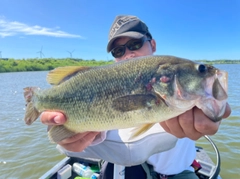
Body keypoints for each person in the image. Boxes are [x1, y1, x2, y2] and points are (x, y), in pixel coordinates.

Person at [41, 15, 231, 179]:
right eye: (118, 51)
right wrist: (70, 138)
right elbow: (98, 133)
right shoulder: (109, 84)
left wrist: (209, 109)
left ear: (153, 44)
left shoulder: (182, 85)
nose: (129, 55)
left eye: (135, 44)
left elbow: (207, 106)